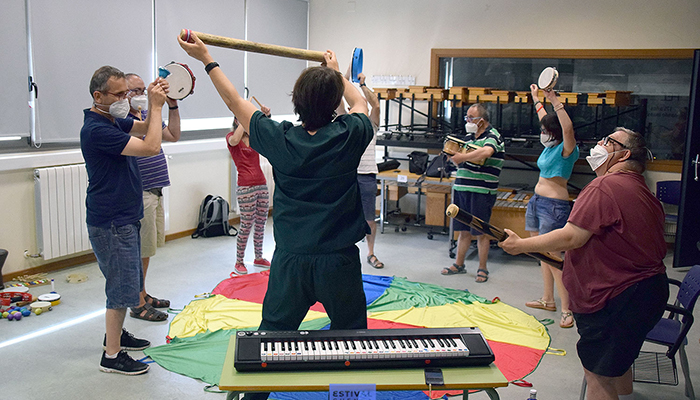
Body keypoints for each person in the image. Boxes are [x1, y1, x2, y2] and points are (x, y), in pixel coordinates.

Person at [179, 33, 372, 400]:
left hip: (291, 261)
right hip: (338, 260)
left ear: (296, 102)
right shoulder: (349, 135)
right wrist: (335, 72)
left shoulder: (280, 139)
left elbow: (234, 101)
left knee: (270, 341)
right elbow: (359, 101)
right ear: (334, 103)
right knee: (352, 339)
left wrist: (206, 58)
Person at [500, 128, 668, 400]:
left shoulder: (605, 186)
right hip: (648, 293)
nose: (599, 143)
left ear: (624, 154)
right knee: (618, 359)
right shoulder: (640, 188)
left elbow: (572, 236)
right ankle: (625, 395)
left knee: (598, 376)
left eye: (608, 141)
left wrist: (520, 245)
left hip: (621, 296)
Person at [81, 65, 168, 375]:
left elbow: (145, 129)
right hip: (112, 221)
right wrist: (155, 106)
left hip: (123, 217)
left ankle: (115, 336)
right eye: (118, 94)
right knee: (120, 289)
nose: (124, 100)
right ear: (98, 96)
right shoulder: (97, 130)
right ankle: (112, 356)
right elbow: (151, 146)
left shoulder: (112, 121)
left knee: (126, 283)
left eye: (126, 93)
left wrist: (160, 103)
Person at [124, 73, 181, 321]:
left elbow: (174, 135)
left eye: (142, 90)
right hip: (140, 192)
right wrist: (153, 108)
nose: (140, 95)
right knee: (138, 250)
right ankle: (137, 302)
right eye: (134, 91)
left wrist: (172, 106)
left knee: (146, 249)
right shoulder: (123, 121)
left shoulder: (149, 115)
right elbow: (146, 145)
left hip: (155, 190)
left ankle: (142, 293)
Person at [524, 84, 579, 328]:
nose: (543, 133)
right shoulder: (549, 147)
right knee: (541, 254)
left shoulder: (567, 149)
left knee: (554, 258)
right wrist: (537, 98)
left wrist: (555, 100)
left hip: (554, 207)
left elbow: (567, 128)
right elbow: (545, 119)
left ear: (555, 133)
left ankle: (567, 309)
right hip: (536, 202)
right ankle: (548, 299)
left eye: (546, 130)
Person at [441, 104, 505, 283]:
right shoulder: (468, 137)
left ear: (481, 121)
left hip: (481, 191)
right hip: (462, 188)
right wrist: (453, 157)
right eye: (466, 117)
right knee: (463, 230)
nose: (468, 121)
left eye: (471, 118)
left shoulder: (493, 136)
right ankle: (459, 264)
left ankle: (482, 268)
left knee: (481, 231)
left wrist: (463, 156)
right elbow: (462, 160)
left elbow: (486, 152)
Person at [336, 69, 383, 269]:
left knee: (369, 219)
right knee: (342, 218)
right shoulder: (345, 125)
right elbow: (339, 102)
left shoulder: (370, 125)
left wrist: (362, 85)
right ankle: (342, 253)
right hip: (347, 176)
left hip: (367, 176)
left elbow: (376, 105)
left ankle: (371, 254)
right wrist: (339, 74)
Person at [226, 101, 272, 276]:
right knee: (246, 225)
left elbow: (269, 135)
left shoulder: (253, 138)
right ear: (236, 120)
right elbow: (234, 140)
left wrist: (266, 116)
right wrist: (244, 119)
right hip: (245, 186)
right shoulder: (231, 137)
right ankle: (239, 261)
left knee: (261, 223)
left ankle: (258, 257)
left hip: (261, 183)